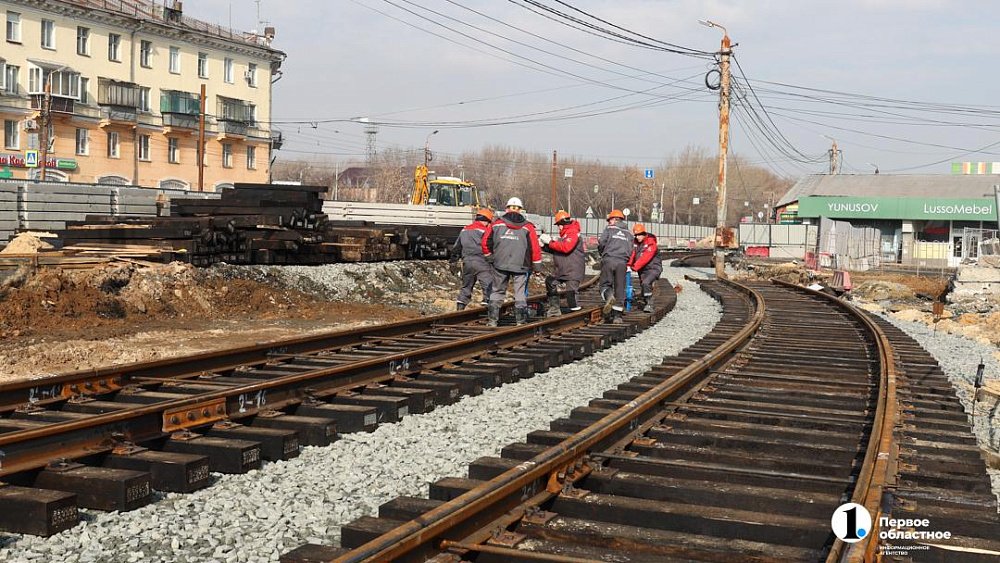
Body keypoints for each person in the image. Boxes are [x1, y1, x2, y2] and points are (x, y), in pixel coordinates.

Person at [482, 196, 542, 326]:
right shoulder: (528, 227)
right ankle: (520, 321)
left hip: (499, 264)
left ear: (506, 209)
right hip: (521, 265)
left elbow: (485, 242)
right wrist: (537, 267)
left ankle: (492, 320)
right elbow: (535, 248)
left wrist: (489, 257)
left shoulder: (496, 224)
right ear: (520, 210)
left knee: (497, 291)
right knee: (520, 292)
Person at [541, 210, 585, 316]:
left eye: (558, 225)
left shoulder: (573, 233)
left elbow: (565, 248)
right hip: (563, 270)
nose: (558, 228)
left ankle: (576, 318)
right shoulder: (566, 235)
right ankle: (555, 309)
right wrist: (543, 246)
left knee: (571, 299)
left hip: (572, 271)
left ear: (562, 224)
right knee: (550, 282)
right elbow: (558, 249)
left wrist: (550, 242)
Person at [450, 207, 495, 311]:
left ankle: (459, 310)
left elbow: (457, 247)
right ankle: (488, 311)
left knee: (466, 287)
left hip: (467, 262)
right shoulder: (486, 231)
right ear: (487, 221)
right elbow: (492, 246)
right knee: (488, 286)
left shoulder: (465, 229)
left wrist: (453, 261)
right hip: (482, 263)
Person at [597, 209, 632, 324]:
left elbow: (602, 243)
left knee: (605, 284)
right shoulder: (629, 234)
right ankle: (617, 316)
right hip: (622, 263)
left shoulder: (609, 229)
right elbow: (631, 250)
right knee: (620, 288)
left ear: (614, 219)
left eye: (609, 220)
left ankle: (609, 296)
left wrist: (603, 253)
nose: (608, 222)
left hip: (609, 259)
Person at [627, 223, 662, 313]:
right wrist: (628, 265)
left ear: (644, 234)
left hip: (653, 268)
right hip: (642, 270)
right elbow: (633, 254)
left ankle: (650, 303)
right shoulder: (635, 243)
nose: (637, 237)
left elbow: (645, 257)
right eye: (636, 235)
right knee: (644, 286)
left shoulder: (651, 243)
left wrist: (634, 267)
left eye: (639, 235)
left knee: (646, 283)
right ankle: (646, 300)